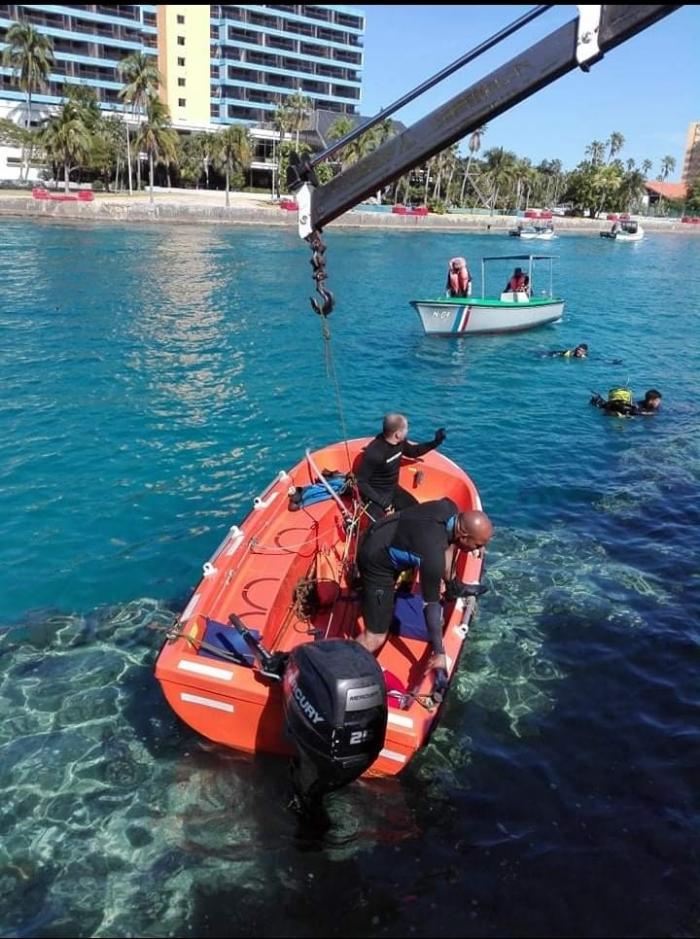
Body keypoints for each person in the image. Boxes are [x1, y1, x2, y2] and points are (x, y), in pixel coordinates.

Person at [356, 500, 494, 684]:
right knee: (375, 636)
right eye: (477, 545)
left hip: (382, 533)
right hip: (375, 559)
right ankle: (337, 667)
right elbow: (430, 606)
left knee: (444, 550)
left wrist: (452, 583)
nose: (480, 550)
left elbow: (450, 545)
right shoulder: (432, 555)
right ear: (464, 535)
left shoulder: (450, 508)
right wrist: (439, 652)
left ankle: (455, 587)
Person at [356, 414, 447, 523]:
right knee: (378, 528)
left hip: (393, 489)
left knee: (417, 511)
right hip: (377, 495)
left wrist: (435, 442)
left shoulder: (400, 443)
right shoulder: (374, 452)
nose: (407, 431)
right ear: (397, 434)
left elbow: (414, 451)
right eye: (406, 429)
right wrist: (382, 502)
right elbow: (361, 482)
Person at [590, 387, 662, 417]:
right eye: (657, 400)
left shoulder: (656, 407)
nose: (659, 402)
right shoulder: (639, 405)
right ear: (651, 400)